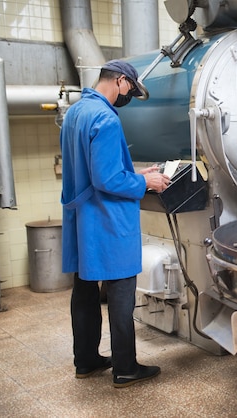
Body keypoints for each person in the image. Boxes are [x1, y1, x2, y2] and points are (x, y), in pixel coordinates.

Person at [60, 59, 170, 388]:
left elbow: (91, 169)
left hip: (82, 220)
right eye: (131, 91)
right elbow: (107, 179)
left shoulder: (76, 112)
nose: (129, 98)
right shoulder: (105, 119)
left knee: (84, 293)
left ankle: (87, 361)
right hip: (106, 221)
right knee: (121, 295)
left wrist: (136, 173)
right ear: (121, 81)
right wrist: (145, 184)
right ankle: (125, 368)